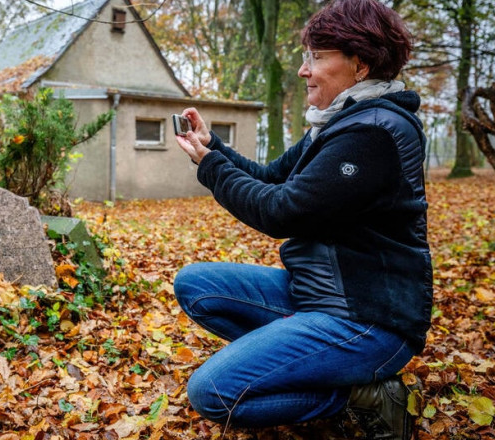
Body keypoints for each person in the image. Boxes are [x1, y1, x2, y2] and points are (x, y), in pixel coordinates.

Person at [172, 0, 431, 439]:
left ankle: (359, 394)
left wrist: (210, 168)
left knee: (212, 392)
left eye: (316, 56)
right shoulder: (339, 124)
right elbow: (272, 178)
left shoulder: (374, 133)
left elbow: (281, 210)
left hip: (368, 320)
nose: (303, 70)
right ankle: (303, 364)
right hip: (321, 297)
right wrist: (211, 146)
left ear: (361, 64)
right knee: (196, 285)